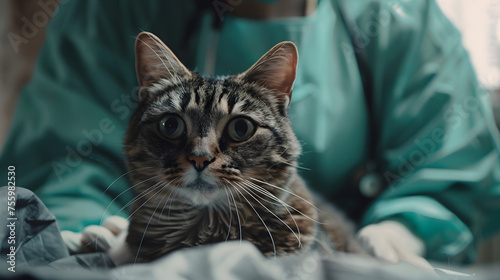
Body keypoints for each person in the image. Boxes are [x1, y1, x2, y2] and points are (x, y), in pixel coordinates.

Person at [1, 0, 500, 270]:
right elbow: (60, 156)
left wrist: (402, 230)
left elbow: (455, 158)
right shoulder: (113, 10)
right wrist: (97, 228)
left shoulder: (400, 15)